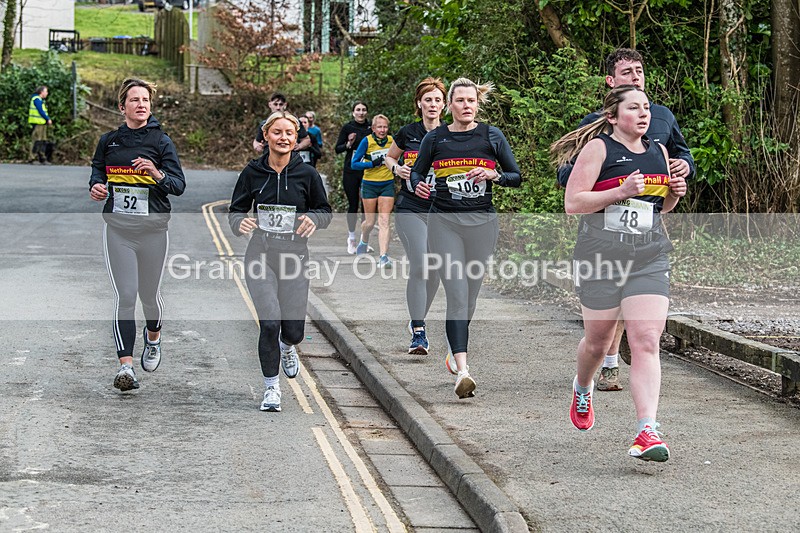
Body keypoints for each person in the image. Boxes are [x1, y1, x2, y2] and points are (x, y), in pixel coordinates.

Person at [550, 84, 687, 461]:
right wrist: (619, 191)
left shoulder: (659, 151)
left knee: (645, 339)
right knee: (598, 341)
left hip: (648, 256)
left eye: (646, 108)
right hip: (600, 259)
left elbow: (659, 209)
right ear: (612, 116)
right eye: (633, 108)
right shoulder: (598, 149)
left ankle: (647, 430)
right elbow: (573, 204)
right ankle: (582, 386)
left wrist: (674, 192)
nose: (644, 114)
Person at [557, 48, 695, 393]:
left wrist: (681, 172)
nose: (636, 77)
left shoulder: (662, 116)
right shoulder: (595, 126)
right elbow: (568, 177)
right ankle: (604, 360)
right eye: (628, 72)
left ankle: (628, 375)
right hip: (603, 233)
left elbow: (681, 153)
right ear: (611, 83)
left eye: (640, 70)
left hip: (648, 228)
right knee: (600, 333)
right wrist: (615, 183)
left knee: (646, 331)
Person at [410, 78, 521, 398]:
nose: (466, 106)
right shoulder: (436, 138)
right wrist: (418, 184)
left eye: (471, 100)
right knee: (457, 294)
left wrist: (494, 175)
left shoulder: (491, 136)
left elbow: (516, 176)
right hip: (444, 223)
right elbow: (418, 171)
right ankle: (463, 370)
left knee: (470, 297)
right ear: (450, 105)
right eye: (459, 101)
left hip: (482, 224)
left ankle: (453, 348)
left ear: (477, 103)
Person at [229, 111, 332, 412]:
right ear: (266, 136)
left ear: (296, 138)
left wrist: (314, 218)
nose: (283, 137)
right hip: (260, 255)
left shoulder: (307, 174)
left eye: (289, 132)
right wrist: (240, 223)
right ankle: (271, 389)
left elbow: (325, 211)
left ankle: (289, 347)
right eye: (277, 132)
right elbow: (236, 210)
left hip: (294, 257)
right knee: (270, 322)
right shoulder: (252, 172)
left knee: (293, 331)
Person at [89, 78, 186, 392]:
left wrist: (156, 174)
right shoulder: (109, 141)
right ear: (122, 107)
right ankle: (126, 367)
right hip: (119, 230)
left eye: (145, 100)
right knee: (126, 296)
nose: (141, 104)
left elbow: (178, 185)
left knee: (149, 296)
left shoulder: (161, 142)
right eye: (134, 100)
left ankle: (154, 337)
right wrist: (97, 186)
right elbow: (97, 169)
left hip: (153, 231)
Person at [384, 77, 446, 355]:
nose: (432, 104)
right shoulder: (408, 132)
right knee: (421, 263)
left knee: (433, 272)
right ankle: (419, 332)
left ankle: (415, 317)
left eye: (437, 99)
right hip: (410, 208)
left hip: (441, 212)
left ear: (444, 105)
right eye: (427, 99)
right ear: (419, 104)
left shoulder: (452, 135)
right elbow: (389, 157)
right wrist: (397, 169)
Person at [351, 114, 395, 268]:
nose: (382, 130)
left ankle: (383, 257)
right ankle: (364, 239)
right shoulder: (367, 141)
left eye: (385, 127)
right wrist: (371, 164)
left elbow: (398, 159)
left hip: (387, 184)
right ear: (373, 128)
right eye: (379, 127)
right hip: (369, 184)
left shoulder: (392, 141)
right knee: (370, 222)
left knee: (384, 220)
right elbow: (354, 164)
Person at [334, 101, 372, 254]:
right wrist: (348, 143)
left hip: (367, 171)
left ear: (366, 112)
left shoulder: (371, 128)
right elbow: (338, 149)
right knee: (353, 205)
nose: (361, 113)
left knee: (366, 207)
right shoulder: (348, 127)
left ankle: (364, 241)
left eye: (364, 110)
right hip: (351, 171)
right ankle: (351, 239)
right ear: (353, 112)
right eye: (358, 110)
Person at [28, 85, 54, 165]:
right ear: (41, 92)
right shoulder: (36, 99)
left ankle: (42, 157)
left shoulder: (40, 100)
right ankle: (32, 158)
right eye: (46, 91)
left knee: (43, 141)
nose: (47, 93)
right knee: (36, 141)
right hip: (37, 123)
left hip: (42, 123)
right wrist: (47, 119)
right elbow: (40, 111)